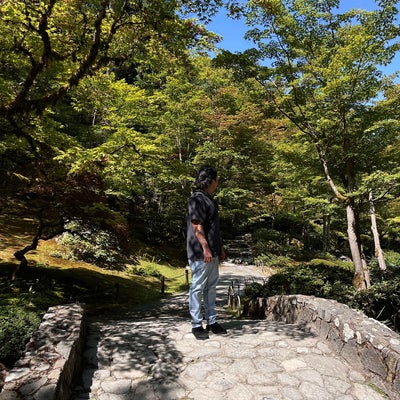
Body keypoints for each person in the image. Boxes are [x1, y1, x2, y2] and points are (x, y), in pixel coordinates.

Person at [186, 165, 227, 340]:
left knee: (210, 287)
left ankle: (211, 321)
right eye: (216, 180)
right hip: (201, 252)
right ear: (211, 181)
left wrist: (220, 248)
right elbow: (197, 226)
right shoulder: (197, 199)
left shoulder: (209, 199)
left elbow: (213, 228)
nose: (217, 183)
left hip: (212, 252)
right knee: (197, 287)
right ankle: (197, 324)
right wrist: (205, 248)